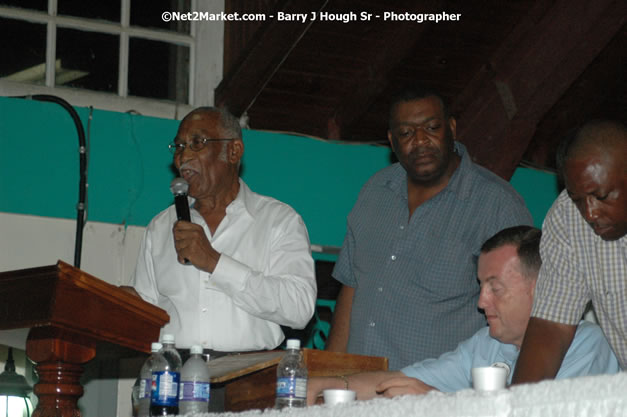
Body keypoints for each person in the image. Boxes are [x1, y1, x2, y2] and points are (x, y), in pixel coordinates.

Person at [326, 85, 533, 369]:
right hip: (359, 394)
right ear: (391, 140)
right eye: (406, 133)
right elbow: (352, 289)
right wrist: (331, 375)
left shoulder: (496, 206)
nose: (420, 141)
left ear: (451, 128)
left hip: (438, 397)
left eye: (431, 128)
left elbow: (520, 313)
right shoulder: (375, 192)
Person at [308, 226, 619, 403]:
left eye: (494, 287)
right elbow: (400, 381)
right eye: (481, 285)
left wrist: (438, 403)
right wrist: (323, 384)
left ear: (540, 288)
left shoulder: (586, 346)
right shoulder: (486, 344)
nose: (481, 301)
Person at [123, 107, 317, 353]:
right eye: (179, 147)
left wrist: (215, 263)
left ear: (233, 151)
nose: (183, 157)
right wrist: (124, 306)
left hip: (248, 379)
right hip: (173, 376)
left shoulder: (279, 221)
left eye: (197, 143)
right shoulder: (160, 227)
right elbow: (148, 313)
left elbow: (299, 308)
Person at [513, 120, 627, 383]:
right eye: (578, 199)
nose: (590, 213)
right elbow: (551, 326)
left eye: (602, 195)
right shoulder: (567, 216)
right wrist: (518, 404)